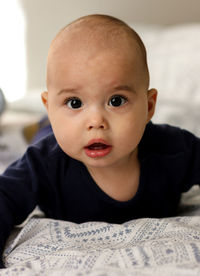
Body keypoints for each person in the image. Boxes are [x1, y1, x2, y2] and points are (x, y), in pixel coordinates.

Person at [0, 14, 200, 269]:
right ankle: (40, 124)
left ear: (149, 107)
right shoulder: (43, 164)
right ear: (50, 106)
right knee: (47, 135)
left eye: (116, 101)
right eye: (75, 102)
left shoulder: (175, 150)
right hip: (53, 135)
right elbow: (4, 197)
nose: (96, 121)